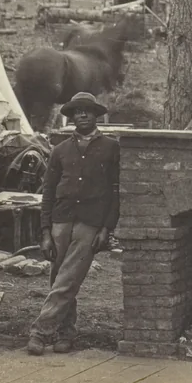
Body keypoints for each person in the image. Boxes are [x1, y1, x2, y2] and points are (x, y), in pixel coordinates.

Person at [26, 92, 119, 355]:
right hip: (61, 220)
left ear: (96, 115)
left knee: (68, 278)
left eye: (88, 110)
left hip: (90, 223)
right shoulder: (59, 151)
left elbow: (115, 192)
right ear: (71, 117)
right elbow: (48, 192)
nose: (82, 115)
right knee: (59, 277)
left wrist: (106, 229)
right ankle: (66, 333)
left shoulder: (112, 148)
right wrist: (45, 231)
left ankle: (40, 332)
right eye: (77, 111)